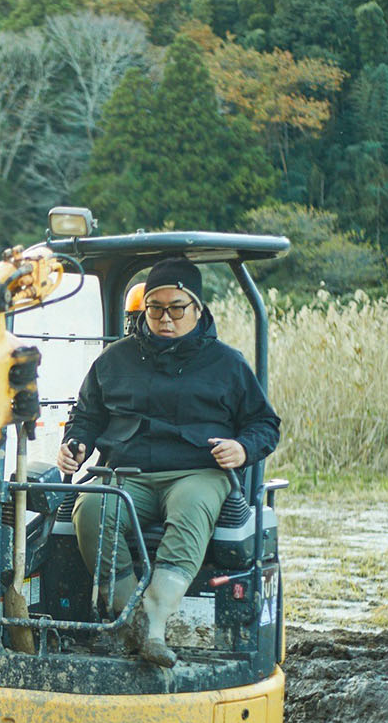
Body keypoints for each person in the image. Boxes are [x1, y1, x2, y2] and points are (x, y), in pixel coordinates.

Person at [56, 257, 280, 666]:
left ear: (197, 308)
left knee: (191, 508)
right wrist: (75, 444)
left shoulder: (228, 364)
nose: (165, 318)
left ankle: (154, 625)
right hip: (126, 473)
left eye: (177, 307)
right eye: (155, 308)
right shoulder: (113, 360)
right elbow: (85, 419)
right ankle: (135, 624)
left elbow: (264, 424)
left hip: (198, 472)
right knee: (90, 508)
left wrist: (243, 449)